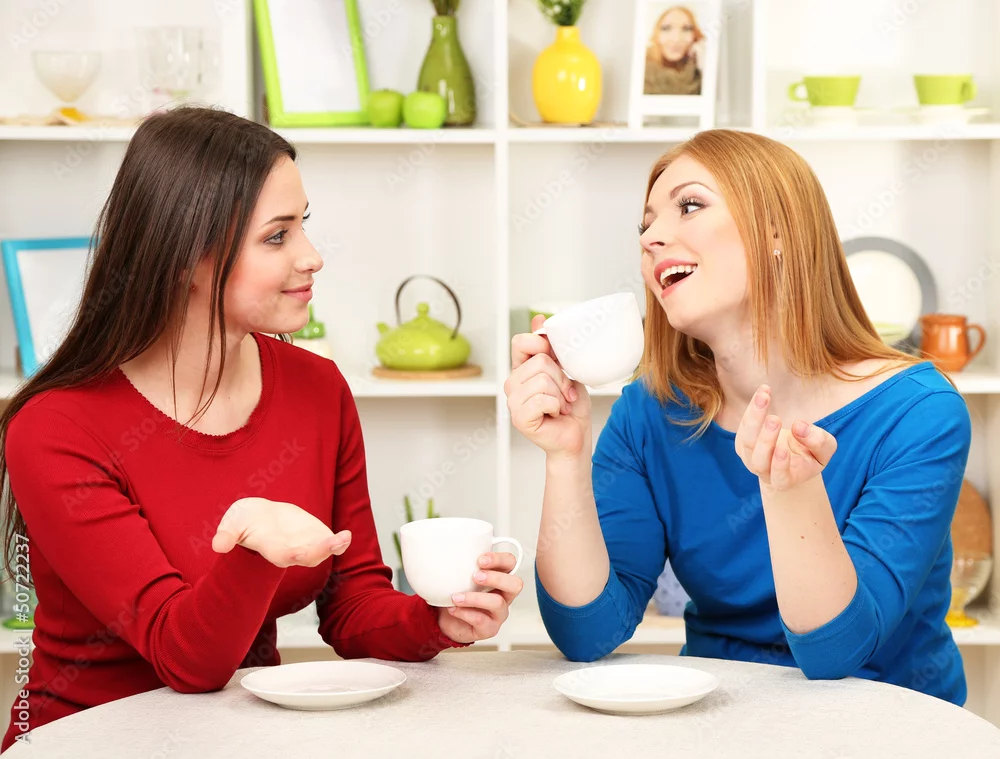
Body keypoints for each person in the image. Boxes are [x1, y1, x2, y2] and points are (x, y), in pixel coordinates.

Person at [0, 106, 522, 751]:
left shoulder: (317, 388)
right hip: (90, 742)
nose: (312, 257)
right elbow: (183, 657)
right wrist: (254, 547)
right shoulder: (56, 428)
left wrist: (436, 619)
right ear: (185, 259)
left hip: (242, 740)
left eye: (303, 225)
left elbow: (353, 605)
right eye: (277, 237)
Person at [505, 128, 970, 704]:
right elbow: (587, 633)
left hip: (887, 720)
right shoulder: (648, 413)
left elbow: (837, 654)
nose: (650, 237)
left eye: (689, 205)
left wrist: (790, 490)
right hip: (721, 717)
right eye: (645, 224)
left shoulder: (918, 414)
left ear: (776, 231)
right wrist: (565, 456)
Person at [644, 6, 705, 96]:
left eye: (686, 29)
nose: (676, 39)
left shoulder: (700, 72)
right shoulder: (640, 70)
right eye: (666, 28)